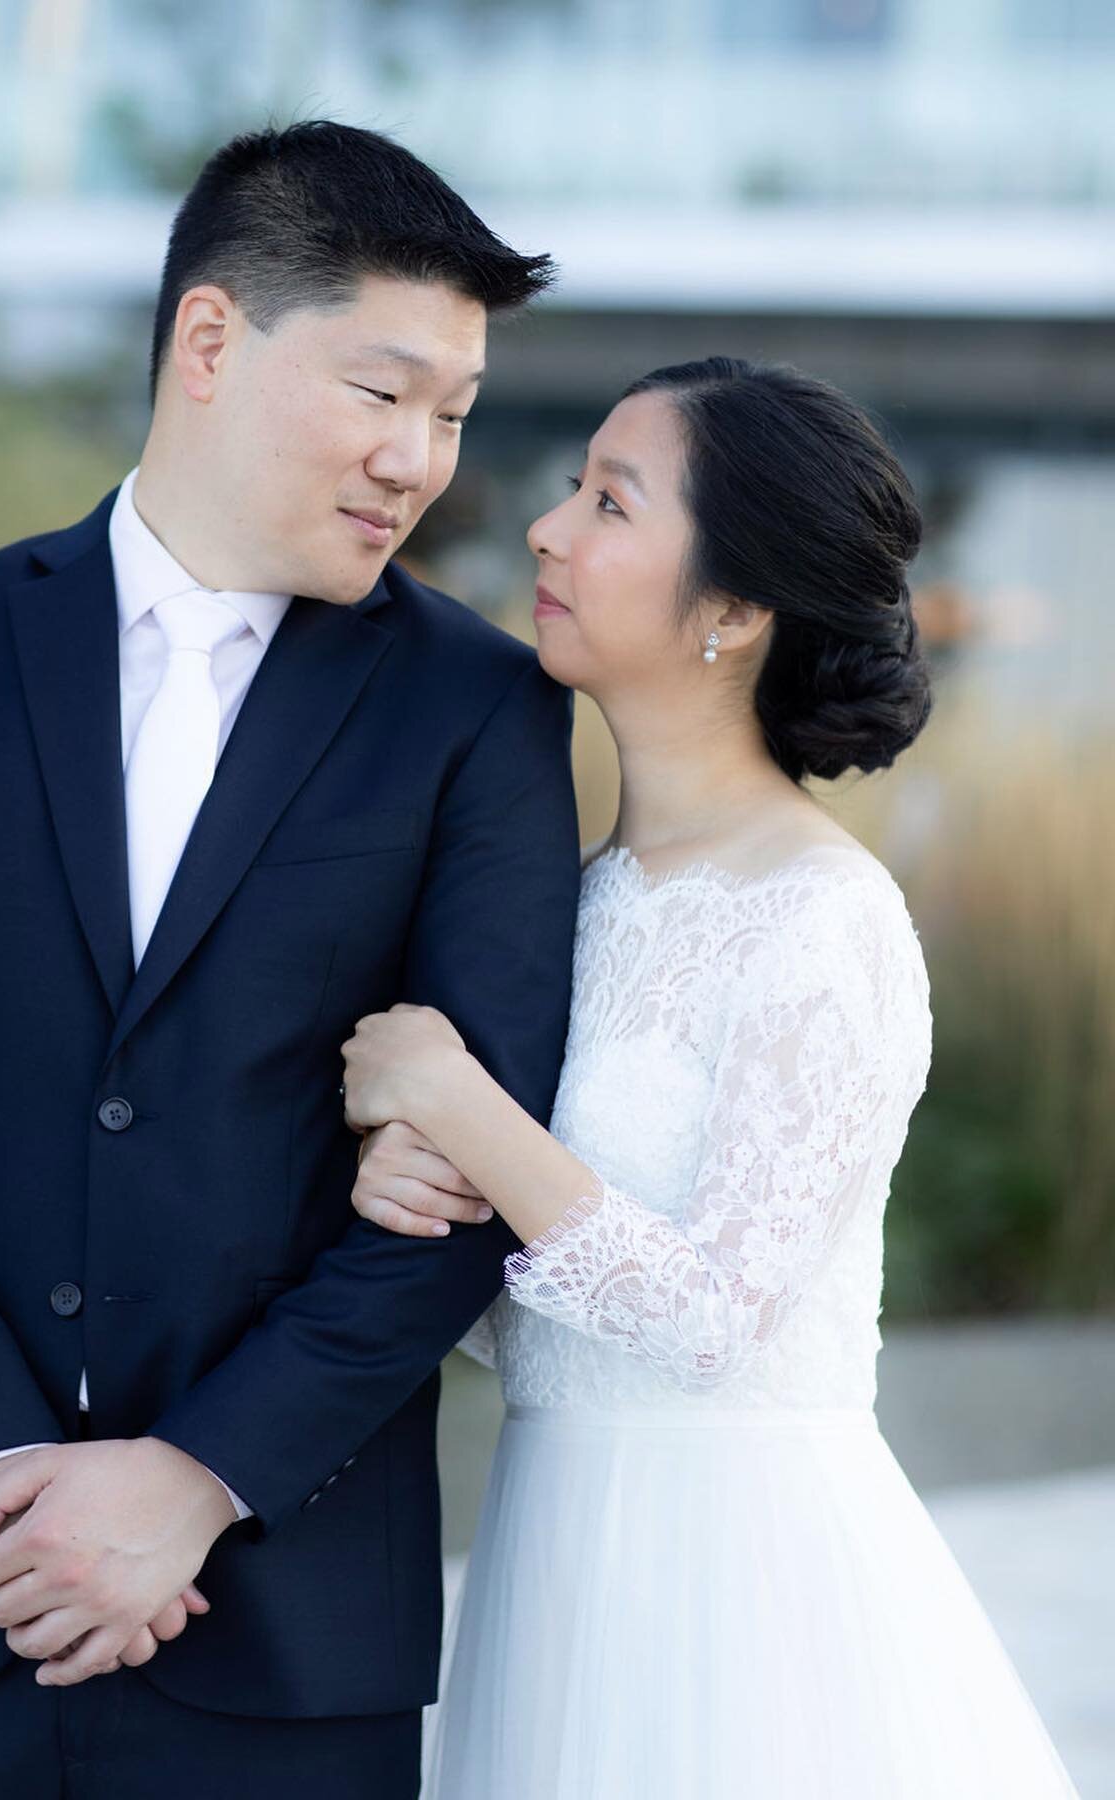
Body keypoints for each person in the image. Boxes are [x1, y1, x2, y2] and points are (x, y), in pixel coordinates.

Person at [0, 120, 581, 1798]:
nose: (421, 459)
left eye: (455, 415)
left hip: (290, 1621)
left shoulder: (482, 708)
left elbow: (478, 1161)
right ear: (211, 341)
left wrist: (198, 1477)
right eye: (384, 392)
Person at [341, 358, 1081, 1797]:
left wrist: (459, 1105)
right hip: (557, 1547)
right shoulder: (574, 897)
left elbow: (713, 1320)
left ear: (735, 614)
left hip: (740, 1587)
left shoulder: (823, 918)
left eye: (610, 502)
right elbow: (553, 1307)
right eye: (571, 491)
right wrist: (421, 1188)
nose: (549, 532)